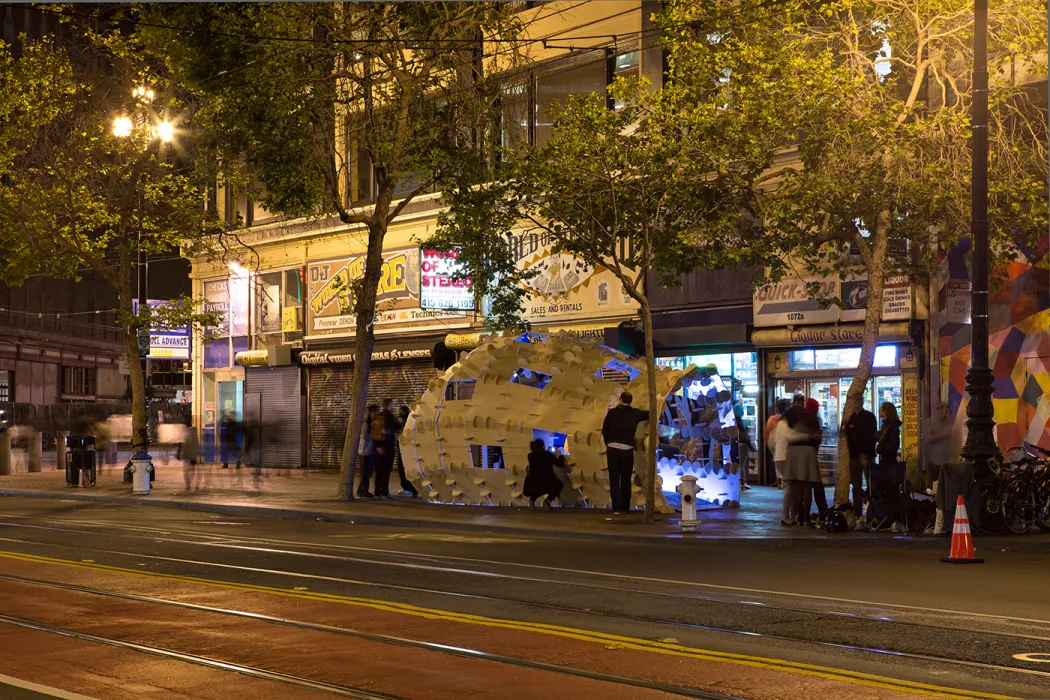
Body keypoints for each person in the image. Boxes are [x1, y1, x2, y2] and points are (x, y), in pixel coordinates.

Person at [601, 391, 650, 514]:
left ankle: (616, 509)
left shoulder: (612, 413)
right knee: (626, 480)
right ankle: (625, 508)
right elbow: (649, 414)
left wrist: (609, 443)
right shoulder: (635, 413)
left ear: (621, 400)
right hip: (627, 450)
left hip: (612, 449)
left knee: (614, 480)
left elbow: (604, 430)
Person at [782, 397, 822, 526]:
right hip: (808, 452)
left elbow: (788, 438)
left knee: (796, 486)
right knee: (806, 486)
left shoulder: (792, 419)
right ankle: (805, 518)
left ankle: (798, 517)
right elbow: (818, 438)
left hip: (794, 452)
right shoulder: (814, 419)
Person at [843, 403, 878, 524]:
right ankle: (858, 509)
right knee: (855, 483)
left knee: (870, 482)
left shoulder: (868, 417)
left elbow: (871, 436)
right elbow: (847, 433)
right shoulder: (851, 419)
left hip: (866, 455)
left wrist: (865, 452)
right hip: (854, 456)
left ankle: (871, 509)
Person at [524, 439, 566, 510]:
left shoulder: (530, 455)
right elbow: (560, 464)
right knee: (558, 485)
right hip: (547, 481)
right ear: (543, 445)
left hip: (532, 481)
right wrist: (560, 454)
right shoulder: (547, 454)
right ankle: (548, 500)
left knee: (537, 490)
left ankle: (532, 500)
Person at [372, 399, 398, 500]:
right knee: (386, 471)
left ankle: (377, 492)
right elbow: (389, 429)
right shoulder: (389, 416)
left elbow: (374, 432)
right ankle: (385, 493)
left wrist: (377, 446)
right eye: (393, 404)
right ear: (389, 405)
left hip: (378, 447)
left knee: (379, 471)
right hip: (387, 447)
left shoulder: (378, 416)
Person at [773, 402, 794, 525]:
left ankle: (790, 514)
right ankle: (786, 516)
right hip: (783, 457)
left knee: (790, 486)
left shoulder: (779, 424)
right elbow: (791, 437)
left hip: (780, 457)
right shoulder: (784, 424)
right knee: (790, 487)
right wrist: (807, 436)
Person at [925, 404, 952, 491]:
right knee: (934, 487)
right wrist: (942, 435)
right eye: (944, 412)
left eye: (948, 413)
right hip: (935, 463)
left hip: (947, 462)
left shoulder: (950, 425)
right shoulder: (933, 424)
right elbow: (927, 439)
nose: (946, 415)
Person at [765, 399, 791, 488]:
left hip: (772, 443)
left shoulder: (772, 419)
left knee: (777, 461)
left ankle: (779, 479)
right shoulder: (786, 419)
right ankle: (783, 480)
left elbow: (767, 430)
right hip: (783, 442)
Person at [395, 405, 418, 497]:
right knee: (402, 468)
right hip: (402, 448)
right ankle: (409, 488)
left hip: (406, 449)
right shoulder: (404, 421)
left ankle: (410, 488)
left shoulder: (408, 421)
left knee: (405, 468)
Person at [731, 404, 755, 491]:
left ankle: (737, 481)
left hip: (736, 444)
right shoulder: (742, 422)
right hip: (744, 445)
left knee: (737, 464)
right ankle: (743, 482)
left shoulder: (733, 421)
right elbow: (746, 435)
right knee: (742, 464)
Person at [357, 405, 378, 499]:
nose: (376, 414)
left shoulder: (371, 423)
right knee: (366, 471)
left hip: (369, 450)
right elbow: (365, 436)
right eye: (375, 412)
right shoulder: (367, 424)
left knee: (368, 472)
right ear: (370, 413)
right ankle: (364, 490)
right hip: (366, 450)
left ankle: (361, 490)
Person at [877, 402, 901, 468]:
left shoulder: (892, 426)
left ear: (885, 411)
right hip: (885, 458)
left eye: (880, 409)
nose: (878, 411)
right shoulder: (886, 425)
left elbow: (894, 444)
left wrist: (882, 449)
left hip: (888, 460)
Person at [180, 420, 199, 491]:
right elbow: (197, 443)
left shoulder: (183, 432)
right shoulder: (194, 432)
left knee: (186, 469)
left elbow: (181, 444)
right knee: (192, 468)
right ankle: (189, 482)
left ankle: (187, 484)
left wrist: (180, 453)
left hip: (186, 453)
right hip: (193, 453)